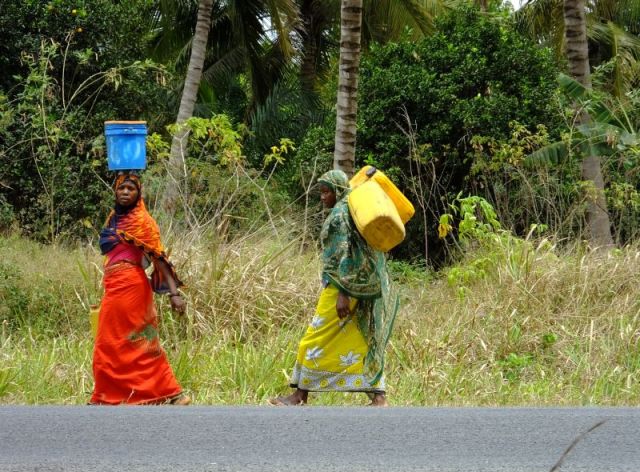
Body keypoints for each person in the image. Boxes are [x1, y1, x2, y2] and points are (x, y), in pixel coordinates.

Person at [270, 170, 399, 406]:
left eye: (326, 191)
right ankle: (378, 396)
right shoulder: (347, 211)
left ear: (338, 191)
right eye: (321, 192)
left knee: (311, 339)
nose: (323, 197)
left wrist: (343, 294)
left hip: (342, 288)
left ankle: (299, 395)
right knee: (360, 339)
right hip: (354, 287)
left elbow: (346, 256)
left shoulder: (341, 215)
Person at [90, 171, 189, 405]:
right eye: (121, 188)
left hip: (131, 287)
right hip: (114, 284)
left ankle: (105, 398)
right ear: (115, 191)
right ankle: (159, 394)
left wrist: (174, 294)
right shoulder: (114, 218)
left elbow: (159, 258)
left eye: (131, 189)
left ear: (139, 194)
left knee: (128, 340)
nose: (125, 192)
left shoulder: (143, 221)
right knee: (122, 341)